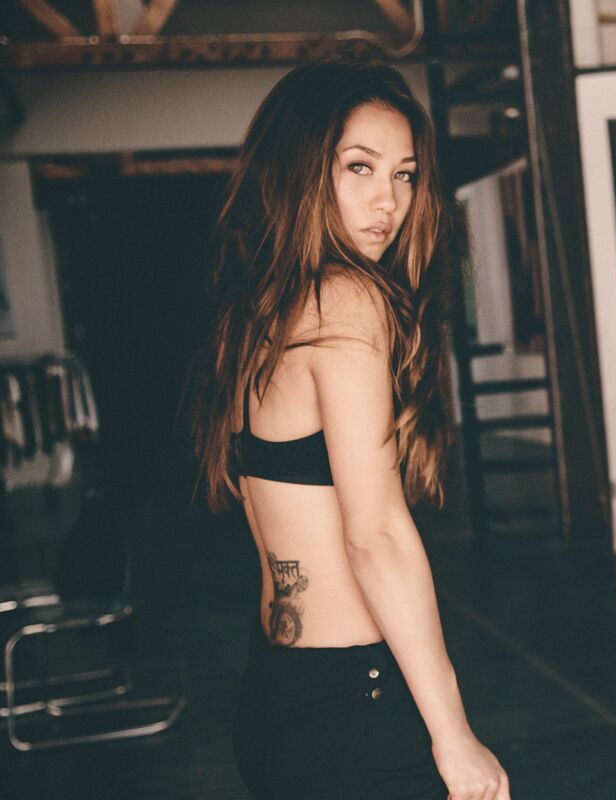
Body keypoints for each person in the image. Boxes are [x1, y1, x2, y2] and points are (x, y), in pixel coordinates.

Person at [187, 57, 510, 800]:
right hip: (355, 705)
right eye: (359, 166)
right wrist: (454, 735)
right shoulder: (347, 301)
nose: (387, 200)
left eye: (405, 174)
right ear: (302, 169)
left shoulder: (256, 314)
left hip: (274, 693)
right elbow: (376, 536)